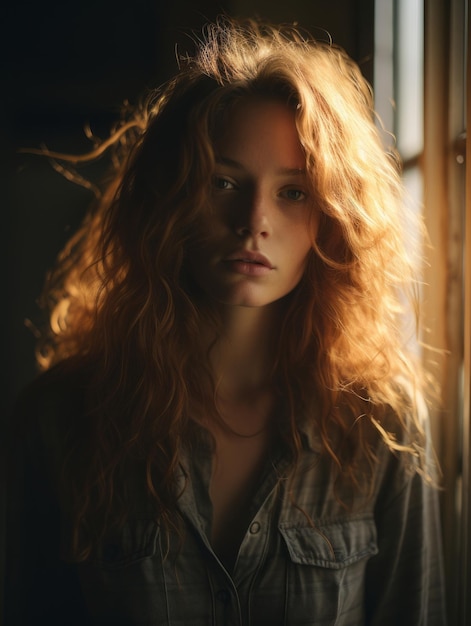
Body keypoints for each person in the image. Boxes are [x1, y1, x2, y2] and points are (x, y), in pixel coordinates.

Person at [5, 15, 447, 625]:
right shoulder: (61, 420)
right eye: (222, 181)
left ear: (330, 217)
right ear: (170, 199)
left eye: (292, 192)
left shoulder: (377, 424)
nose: (253, 220)